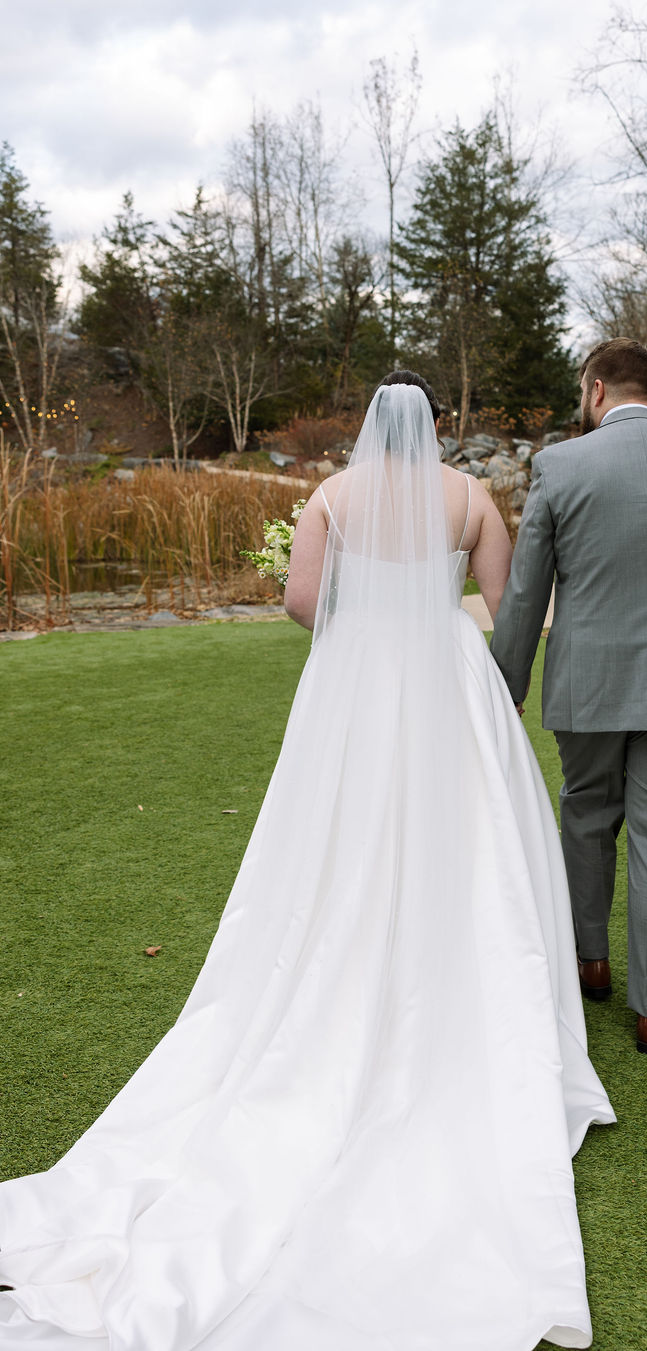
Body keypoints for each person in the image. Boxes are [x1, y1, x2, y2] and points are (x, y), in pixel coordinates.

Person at [0, 372, 614, 1351]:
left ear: (372, 426)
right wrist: (441, 624)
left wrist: (368, 625)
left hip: (356, 680)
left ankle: (345, 965)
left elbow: (299, 602)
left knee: (338, 833)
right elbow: (505, 606)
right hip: (448, 682)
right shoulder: (468, 496)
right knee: (470, 837)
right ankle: (452, 980)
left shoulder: (329, 495)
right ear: (436, 426)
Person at [490, 339, 647, 1055]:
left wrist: (505, 683)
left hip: (588, 683)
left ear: (595, 388)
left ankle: (590, 961)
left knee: (587, 813)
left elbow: (524, 592)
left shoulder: (559, 465)